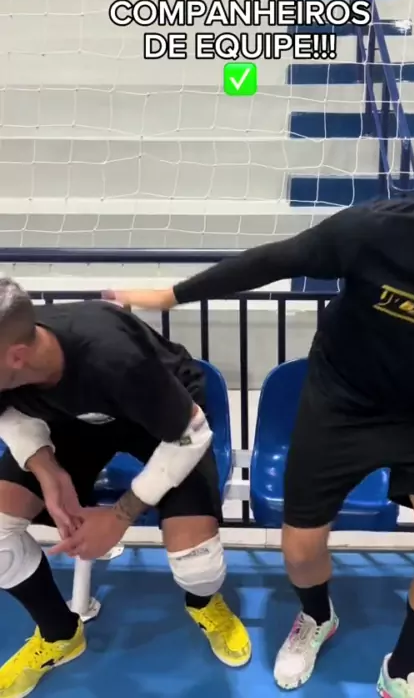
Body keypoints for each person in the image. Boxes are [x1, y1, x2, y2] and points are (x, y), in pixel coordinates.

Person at [105, 114, 414, 698]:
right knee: (301, 552)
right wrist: (171, 295)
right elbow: (274, 260)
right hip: (342, 402)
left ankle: (403, 670)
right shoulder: (378, 232)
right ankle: (318, 616)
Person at [0, 292, 251, 698]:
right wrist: (46, 467)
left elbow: (191, 435)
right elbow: (8, 412)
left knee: (198, 565)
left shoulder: (113, 356)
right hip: (72, 422)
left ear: (16, 357)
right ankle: (60, 635)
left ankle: (203, 603)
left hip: (165, 422)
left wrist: (120, 517)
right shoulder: (10, 353)